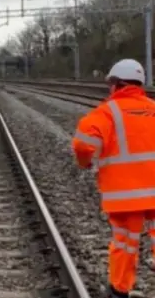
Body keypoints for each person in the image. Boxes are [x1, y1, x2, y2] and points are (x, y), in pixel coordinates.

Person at [72, 58, 155, 298]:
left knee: (125, 244)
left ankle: (120, 290)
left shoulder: (107, 113)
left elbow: (83, 144)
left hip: (125, 195)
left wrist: (85, 163)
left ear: (116, 85)